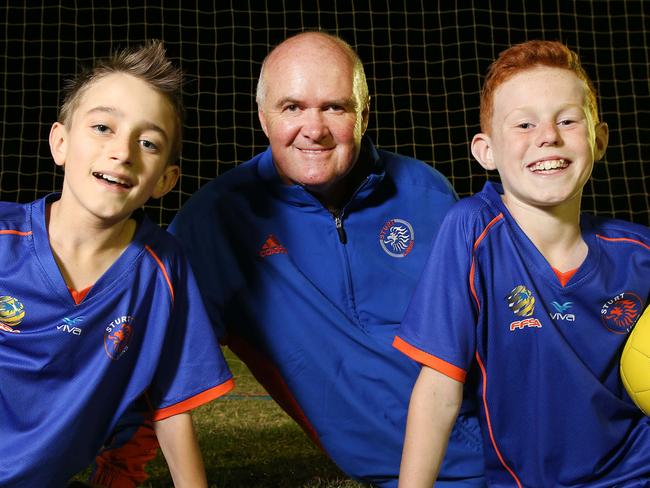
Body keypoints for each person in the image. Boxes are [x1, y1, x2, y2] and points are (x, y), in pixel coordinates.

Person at [163, 31, 485, 487]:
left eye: (335, 107)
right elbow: (152, 356)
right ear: (262, 117)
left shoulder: (428, 193)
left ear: (364, 114)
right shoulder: (216, 220)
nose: (313, 129)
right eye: (292, 107)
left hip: (520, 442)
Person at [394, 40, 650, 487]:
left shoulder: (639, 252)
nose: (548, 136)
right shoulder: (473, 231)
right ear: (486, 151)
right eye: (524, 124)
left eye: (568, 120)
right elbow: (438, 391)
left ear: (599, 138)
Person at [0, 40, 234, 488]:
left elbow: (169, 404)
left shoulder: (161, 268)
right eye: (103, 127)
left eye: (148, 142)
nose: (122, 152)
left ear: (165, 179)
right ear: (61, 142)